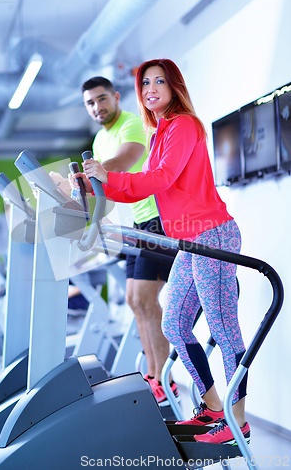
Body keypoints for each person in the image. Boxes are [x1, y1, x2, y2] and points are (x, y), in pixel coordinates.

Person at [76, 59, 250, 446]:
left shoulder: (184, 124)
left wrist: (107, 175)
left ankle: (237, 421)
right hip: (190, 240)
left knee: (223, 329)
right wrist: (94, 186)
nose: (151, 88)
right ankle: (213, 409)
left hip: (213, 235)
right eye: (145, 83)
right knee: (173, 325)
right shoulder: (161, 133)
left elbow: (162, 177)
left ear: (174, 86)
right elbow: (143, 187)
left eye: (159, 81)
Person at [52, 76, 176, 406]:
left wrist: (89, 175)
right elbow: (105, 189)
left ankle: (165, 378)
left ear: (116, 97)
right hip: (137, 222)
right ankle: (154, 375)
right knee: (135, 300)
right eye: (90, 103)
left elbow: (126, 159)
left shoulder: (130, 124)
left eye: (102, 99)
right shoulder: (98, 136)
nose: (97, 107)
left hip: (158, 219)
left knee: (146, 299)